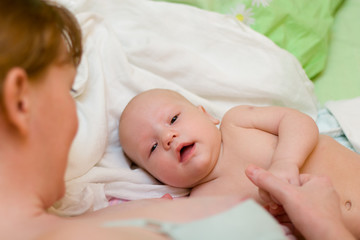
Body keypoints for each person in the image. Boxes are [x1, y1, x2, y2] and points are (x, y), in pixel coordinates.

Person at [0, 0, 354, 239]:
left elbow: (295, 123)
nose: (78, 120)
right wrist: (327, 228)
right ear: (20, 100)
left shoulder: (99, 222)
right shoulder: (189, 213)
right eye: (68, 92)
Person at [119, 88, 360, 238]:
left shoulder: (238, 122)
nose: (167, 138)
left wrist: (286, 162)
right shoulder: (203, 204)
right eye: (152, 148)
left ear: (206, 114)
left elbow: (298, 121)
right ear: (157, 178)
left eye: (173, 119)